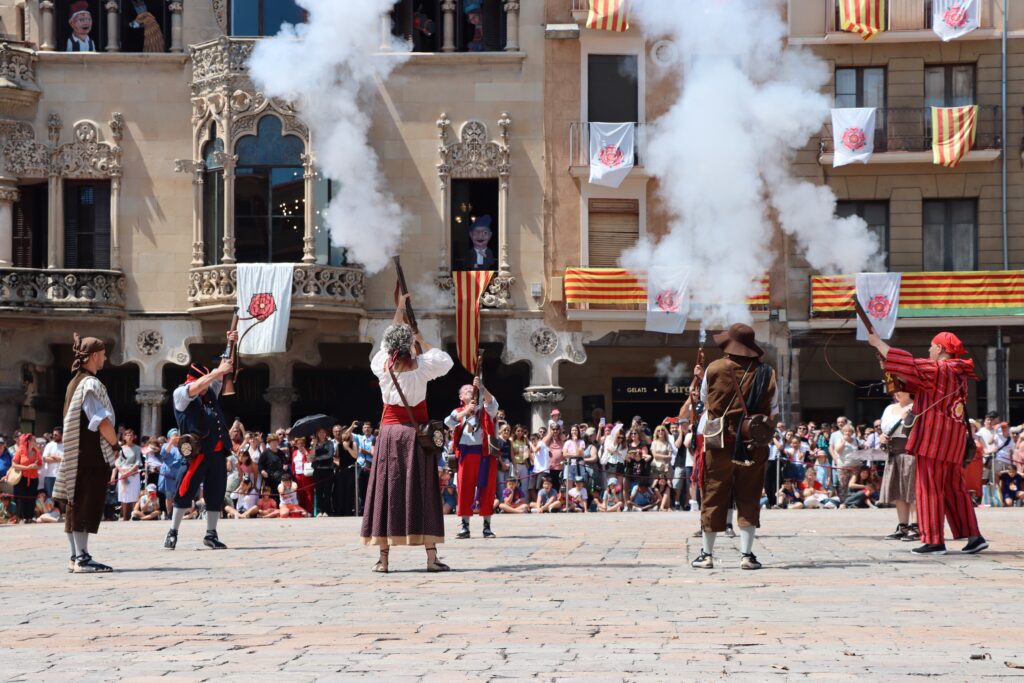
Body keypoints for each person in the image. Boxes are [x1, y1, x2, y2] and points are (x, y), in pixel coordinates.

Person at [868, 330, 987, 555]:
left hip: (934, 440)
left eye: (932, 346)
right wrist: (890, 367)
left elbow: (909, 364)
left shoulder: (940, 368)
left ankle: (934, 540)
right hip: (952, 441)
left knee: (928, 488)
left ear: (940, 349)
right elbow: (914, 382)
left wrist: (878, 343)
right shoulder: (957, 372)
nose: (929, 350)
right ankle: (974, 537)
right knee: (955, 490)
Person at [361, 294, 455, 573]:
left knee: (386, 491)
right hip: (415, 435)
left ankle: (384, 558)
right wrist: (420, 337)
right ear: (409, 345)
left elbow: (383, 343)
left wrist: (399, 310)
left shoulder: (382, 366)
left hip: (390, 434)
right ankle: (431, 557)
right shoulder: (423, 367)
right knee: (423, 491)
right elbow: (445, 360)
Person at [692, 323, 778, 571]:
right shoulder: (767, 373)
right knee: (749, 497)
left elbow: (707, 403)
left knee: (713, 496)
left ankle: (706, 555)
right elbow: (773, 411)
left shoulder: (715, 368)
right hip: (753, 444)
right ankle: (747, 555)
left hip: (719, 443)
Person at [163, 329, 237, 551]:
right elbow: (204, 382)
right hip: (197, 453)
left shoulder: (209, 391)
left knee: (216, 493)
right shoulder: (182, 393)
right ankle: (173, 532)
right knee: (184, 492)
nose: (208, 385)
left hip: (216, 452)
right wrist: (215, 374)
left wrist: (229, 342)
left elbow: (222, 368)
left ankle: (211, 534)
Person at [53, 334, 119, 573]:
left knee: (75, 503)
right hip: (90, 454)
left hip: (78, 454)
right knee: (85, 504)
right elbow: (100, 420)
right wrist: (115, 444)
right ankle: (82, 558)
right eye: (102, 354)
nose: (105, 358)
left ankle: (75, 556)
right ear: (93, 356)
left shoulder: (74, 382)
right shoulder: (90, 383)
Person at [446, 376, 500, 540]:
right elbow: (448, 422)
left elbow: (493, 404)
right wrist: (466, 411)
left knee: (487, 490)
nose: (471, 391)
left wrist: (482, 387)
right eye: (467, 391)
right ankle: (465, 526)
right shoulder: (457, 412)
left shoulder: (485, 409)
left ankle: (487, 526)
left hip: (485, 454)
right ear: (461, 397)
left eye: (472, 389)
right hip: (466, 455)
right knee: (464, 490)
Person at [879, 391, 919, 541]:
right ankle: (902, 526)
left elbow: (913, 428)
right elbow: (884, 427)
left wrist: (903, 419)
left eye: (900, 389)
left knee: (912, 491)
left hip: (910, 451)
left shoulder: (916, 407)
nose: (896, 393)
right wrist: (883, 435)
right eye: (895, 390)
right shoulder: (889, 408)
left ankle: (916, 527)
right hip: (894, 451)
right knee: (898, 491)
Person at [9, 433, 42, 524]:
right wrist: (27, 467)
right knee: (21, 498)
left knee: (31, 497)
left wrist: (36, 466)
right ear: (28, 441)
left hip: (33, 478)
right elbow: (14, 464)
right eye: (34, 440)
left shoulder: (36, 451)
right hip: (22, 478)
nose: (35, 442)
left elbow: (40, 464)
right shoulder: (20, 450)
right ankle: (22, 517)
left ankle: (30, 517)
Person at [115, 428, 142, 521]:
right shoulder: (121, 448)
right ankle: (125, 517)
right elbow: (117, 462)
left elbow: (138, 462)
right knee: (124, 497)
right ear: (124, 437)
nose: (129, 436)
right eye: (127, 435)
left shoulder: (138, 448)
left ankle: (134, 516)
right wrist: (123, 473)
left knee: (134, 495)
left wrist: (129, 472)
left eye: (131, 435)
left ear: (134, 436)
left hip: (133, 473)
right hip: (123, 473)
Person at [158, 430, 184, 518]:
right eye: (174, 435)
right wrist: (171, 442)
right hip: (168, 476)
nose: (176, 437)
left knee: (178, 495)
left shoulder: (182, 446)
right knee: (169, 496)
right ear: (169, 438)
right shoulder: (166, 445)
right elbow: (164, 454)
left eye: (177, 435)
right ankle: (169, 514)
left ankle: (177, 514)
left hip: (179, 475)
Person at [354, 421, 375, 515]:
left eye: (368, 427)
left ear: (371, 429)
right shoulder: (360, 438)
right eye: (365, 427)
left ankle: (370, 510)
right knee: (360, 488)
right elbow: (346, 435)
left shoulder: (375, 439)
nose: (366, 429)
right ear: (362, 429)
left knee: (369, 487)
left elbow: (374, 454)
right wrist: (352, 426)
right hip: (360, 465)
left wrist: (364, 451)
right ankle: (361, 509)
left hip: (370, 466)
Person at [41, 428, 64, 498]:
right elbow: (44, 459)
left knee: (61, 498)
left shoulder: (65, 445)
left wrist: (53, 457)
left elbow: (66, 459)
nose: (54, 436)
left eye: (56, 435)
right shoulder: (49, 445)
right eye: (53, 434)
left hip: (61, 476)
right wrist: (60, 459)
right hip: (49, 476)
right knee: (49, 498)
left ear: (61, 435)